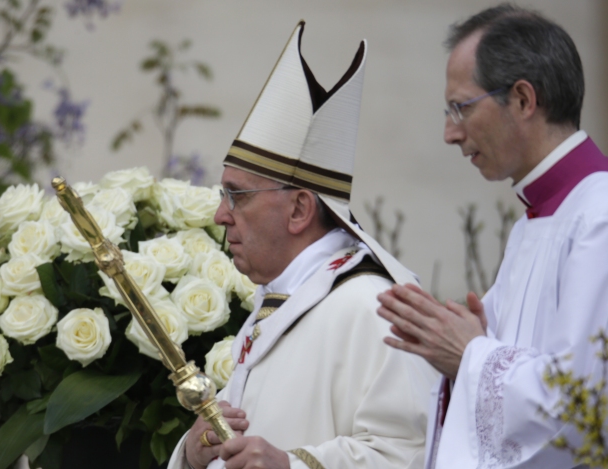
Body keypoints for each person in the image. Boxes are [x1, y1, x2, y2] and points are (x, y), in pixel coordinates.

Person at [167, 21, 438, 469]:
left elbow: (410, 453)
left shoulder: (374, 308)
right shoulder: (276, 300)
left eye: (238, 195)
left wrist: (293, 466)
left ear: (299, 210)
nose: (220, 215)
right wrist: (194, 453)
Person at [376, 4, 608, 468]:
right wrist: (462, 346)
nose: (449, 133)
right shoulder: (534, 222)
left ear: (523, 100)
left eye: (461, 108)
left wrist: (468, 352)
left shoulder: (598, 216)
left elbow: (582, 404)